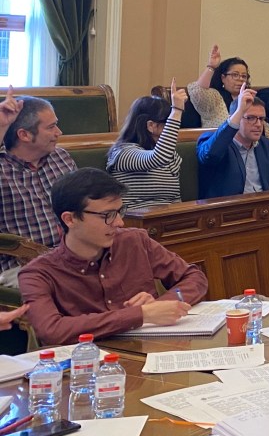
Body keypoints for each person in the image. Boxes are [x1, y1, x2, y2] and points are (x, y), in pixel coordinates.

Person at [18, 169, 208, 345]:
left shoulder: (134, 241)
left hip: (151, 350)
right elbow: (51, 330)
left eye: (119, 211)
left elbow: (194, 277)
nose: (119, 222)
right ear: (70, 219)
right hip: (90, 362)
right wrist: (139, 314)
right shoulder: (37, 273)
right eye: (107, 215)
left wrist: (162, 305)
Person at [0, 91, 77, 282]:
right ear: (24, 135)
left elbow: (85, 201)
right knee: (73, 285)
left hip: (70, 255)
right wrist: (1, 125)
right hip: (21, 265)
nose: (59, 132)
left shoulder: (61, 157)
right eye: (51, 127)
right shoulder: (3, 168)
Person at [196, 84, 269, 198]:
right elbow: (210, 155)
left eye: (261, 119)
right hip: (229, 207)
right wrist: (239, 111)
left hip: (263, 205)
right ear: (235, 117)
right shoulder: (213, 140)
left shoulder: (264, 144)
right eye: (251, 118)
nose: (258, 124)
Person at [105, 81, 187, 207]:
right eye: (167, 123)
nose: (174, 129)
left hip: (167, 217)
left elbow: (175, 199)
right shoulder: (122, 152)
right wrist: (176, 111)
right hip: (136, 217)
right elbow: (157, 158)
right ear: (151, 126)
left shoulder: (169, 154)